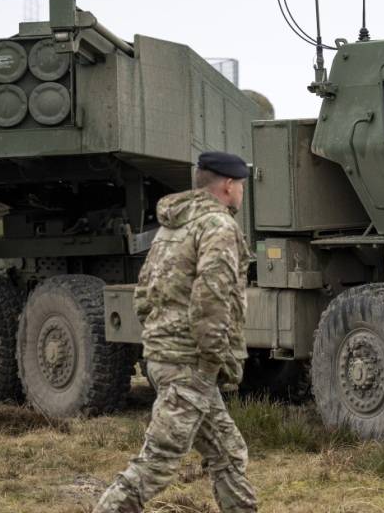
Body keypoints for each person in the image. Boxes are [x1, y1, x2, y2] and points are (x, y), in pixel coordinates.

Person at [93, 151, 256, 513]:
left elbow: (144, 292)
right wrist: (212, 360)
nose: (242, 192)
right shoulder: (218, 226)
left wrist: (160, 338)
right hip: (190, 363)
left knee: (228, 453)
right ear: (228, 186)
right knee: (159, 461)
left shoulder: (173, 225)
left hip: (166, 356)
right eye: (241, 185)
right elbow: (212, 299)